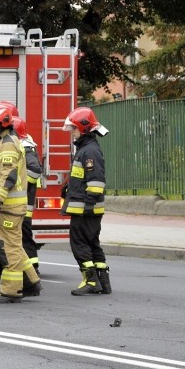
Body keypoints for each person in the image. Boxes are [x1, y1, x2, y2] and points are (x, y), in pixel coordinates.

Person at [0, 103, 42, 303]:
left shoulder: (7, 144)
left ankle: (11, 290)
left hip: (8, 207)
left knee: (9, 248)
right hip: (7, 207)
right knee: (14, 245)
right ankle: (31, 281)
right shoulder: (1, 141)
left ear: (3, 123)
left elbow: (8, 176)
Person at [61, 107, 112, 295]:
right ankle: (103, 282)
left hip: (85, 209)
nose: (72, 133)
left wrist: (89, 205)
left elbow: (96, 182)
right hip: (87, 208)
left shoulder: (88, 152)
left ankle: (91, 281)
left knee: (80, 243)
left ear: (83, 128)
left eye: (73, 129)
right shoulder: (87, 149)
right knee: (92, 243)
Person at [13, 116, 43, 295]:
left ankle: (32, 275)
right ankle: (30, 275)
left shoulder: (25, 147)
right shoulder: (23, 144)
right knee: (22, 238)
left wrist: (17, 180)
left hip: (23, 202)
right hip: (22, 200)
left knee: (24, 239)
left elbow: (34, 172)